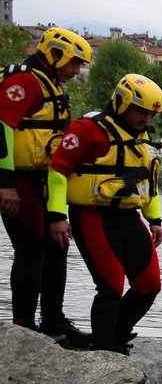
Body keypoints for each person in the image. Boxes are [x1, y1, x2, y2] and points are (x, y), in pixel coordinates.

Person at [46, 73, 162, 354]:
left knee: (149, 285)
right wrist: (56, 216)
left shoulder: (142, 137)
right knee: (111, 286)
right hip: (92, 216)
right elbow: (57, 171)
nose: (145, 119)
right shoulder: (88, 129)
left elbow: (148, 182)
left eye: (149, 114)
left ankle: (116, 333)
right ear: (122, 102)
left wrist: (155, 219)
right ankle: (103, 346)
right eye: (140, 111)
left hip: (128, 218)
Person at [0, 26, 94, 343]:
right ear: (55, 54)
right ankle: (23, 327)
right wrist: (6, 185)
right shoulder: (24, 82)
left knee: (55, 245)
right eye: (73, 63)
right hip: (16, 180)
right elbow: (2, 129)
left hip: (36, 178)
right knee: (30, 250)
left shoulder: (48, 83)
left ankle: (53, 320)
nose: (76, 70)